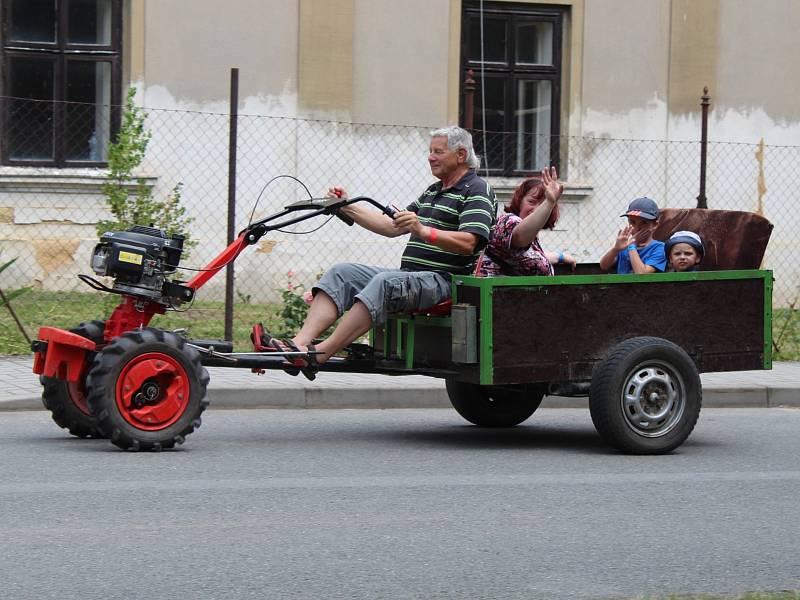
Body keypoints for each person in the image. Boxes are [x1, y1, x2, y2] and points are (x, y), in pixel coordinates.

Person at [256, 126, 496, 379]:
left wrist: (424, 231)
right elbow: (391, 226)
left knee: (385, 283)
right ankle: (299, 345)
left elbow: (470, 241)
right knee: (342, 272)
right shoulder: (432, 191)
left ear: (460, 155)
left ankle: (321, 353)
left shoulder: (476, 190)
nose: (430, 157)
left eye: (438, 151)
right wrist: (346, 206)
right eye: (430, 151)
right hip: (412, 276)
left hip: (444, 281)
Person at [478, 166, 576, 277]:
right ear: (519, 201)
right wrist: (549, 202)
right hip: (492, 293)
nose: (536, 209)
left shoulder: (532, 239)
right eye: (531, 201)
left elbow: (526, 257)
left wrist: (559, 256)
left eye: (542, 204)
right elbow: (520, 238)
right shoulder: (507, 221)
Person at [599, 196, 667, 274]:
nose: (637, 228)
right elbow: (604, 266)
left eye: (644, 223)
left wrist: (632, 246)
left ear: (655, 224)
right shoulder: (624, 247)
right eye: (632, 222)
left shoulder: (659, 248)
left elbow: (641, 273)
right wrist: (616, 249)